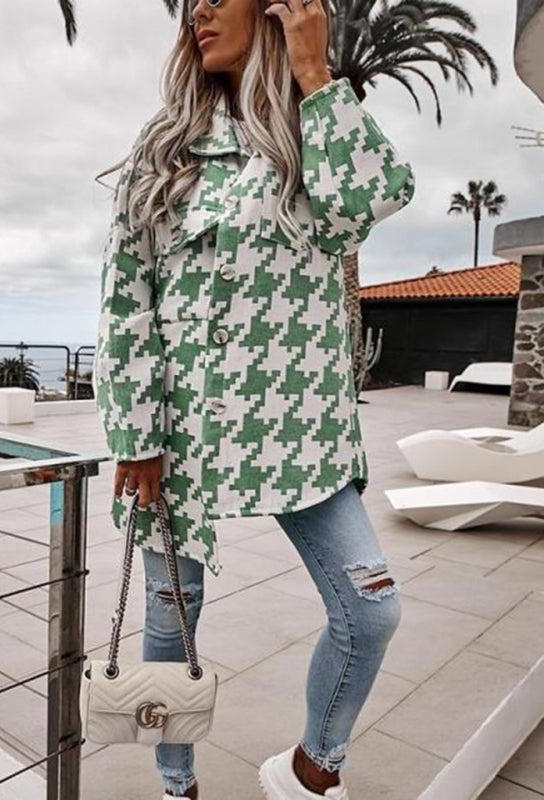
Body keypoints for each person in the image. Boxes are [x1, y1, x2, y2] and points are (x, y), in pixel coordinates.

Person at [93, 0, 415, 797]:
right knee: (169, 620)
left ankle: (312, 768)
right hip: (182, 436)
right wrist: (136, 434)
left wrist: (315, 73)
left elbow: (372, 200)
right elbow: (127, 298)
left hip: (303, 432)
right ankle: (176, 785)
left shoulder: (312, 133)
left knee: (370, 610)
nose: (198, 10)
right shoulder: (164, 149)